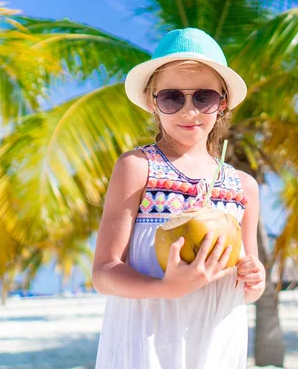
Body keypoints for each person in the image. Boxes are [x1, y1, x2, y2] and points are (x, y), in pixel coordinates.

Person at [92, 28, 266, 369]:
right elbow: (103, 273)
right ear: (153, 103)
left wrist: (254, 278)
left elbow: (245, 290)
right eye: (173, 98)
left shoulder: (244, 186)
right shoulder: (138, 167)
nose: (190, 111)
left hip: (217, 343)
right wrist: (165, 288)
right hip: (148, 342)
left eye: (204, 98)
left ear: (223, 103)